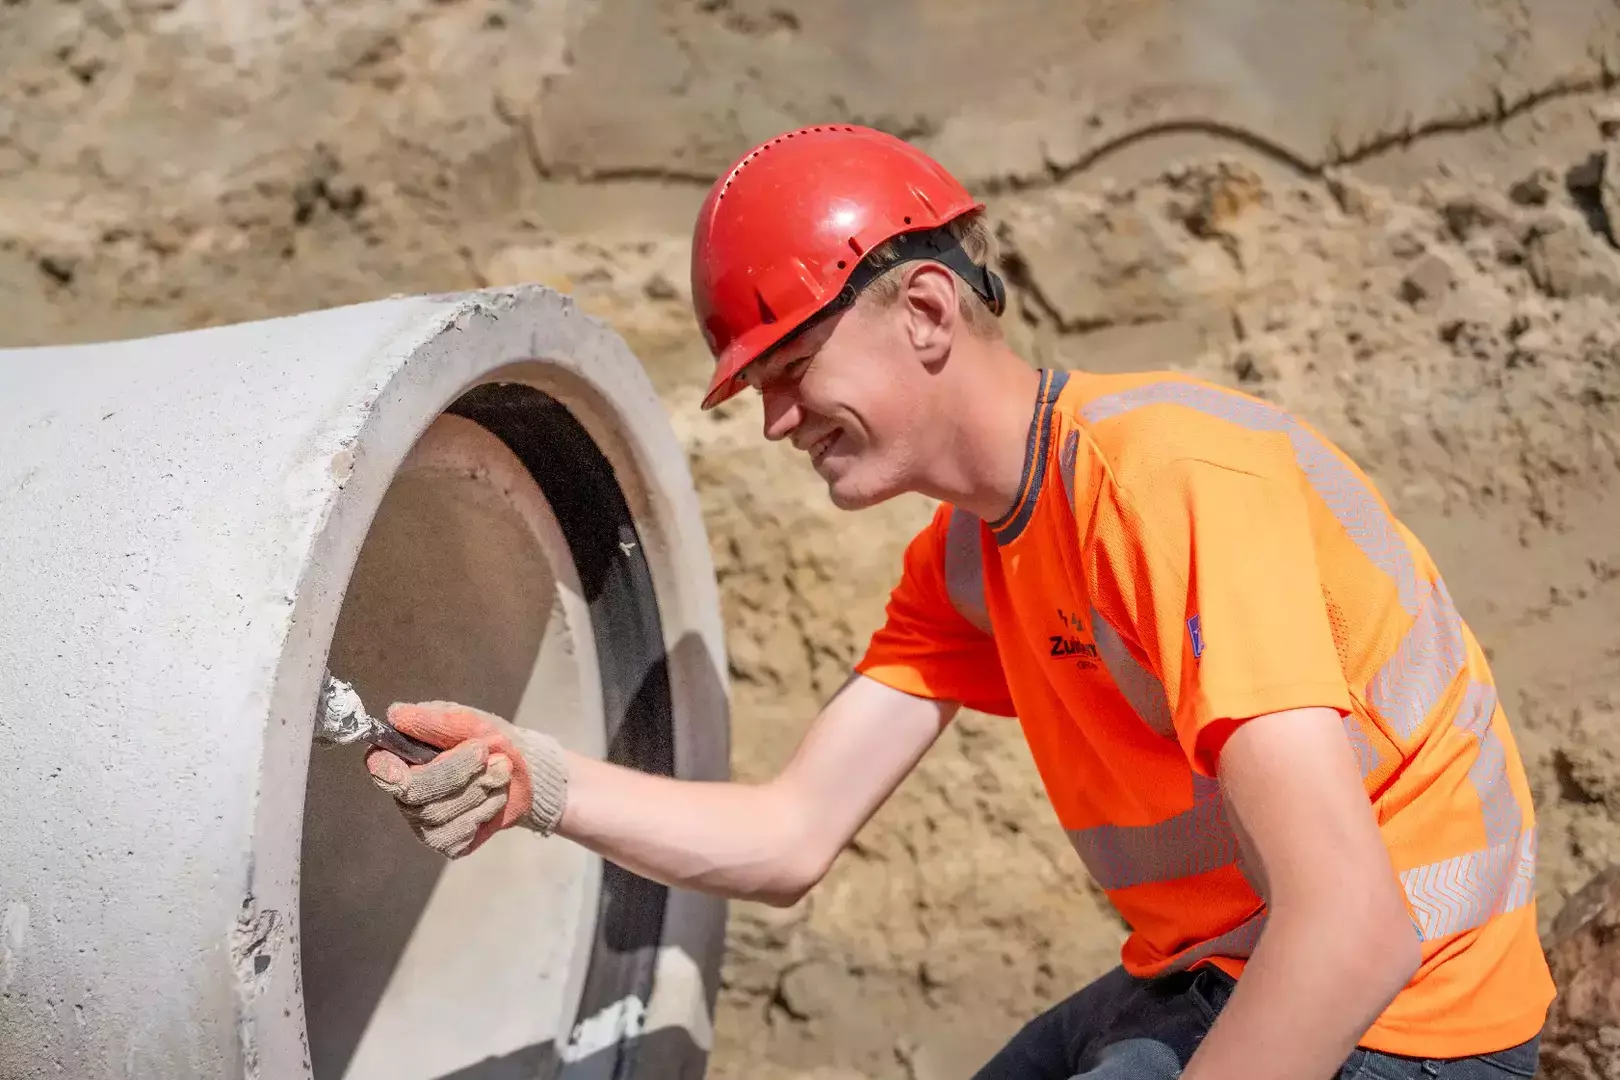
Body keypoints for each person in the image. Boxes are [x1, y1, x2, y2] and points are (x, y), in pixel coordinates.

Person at [363, 125, 1555, 1079]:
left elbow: (1354, 930)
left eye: (790, 373)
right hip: (1218, 968)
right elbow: (788, 838)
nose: (777, 423)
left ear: (927, 312)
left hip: (1415, 1021)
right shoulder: (972, 560)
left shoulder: (1174, 486)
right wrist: (538, 778)